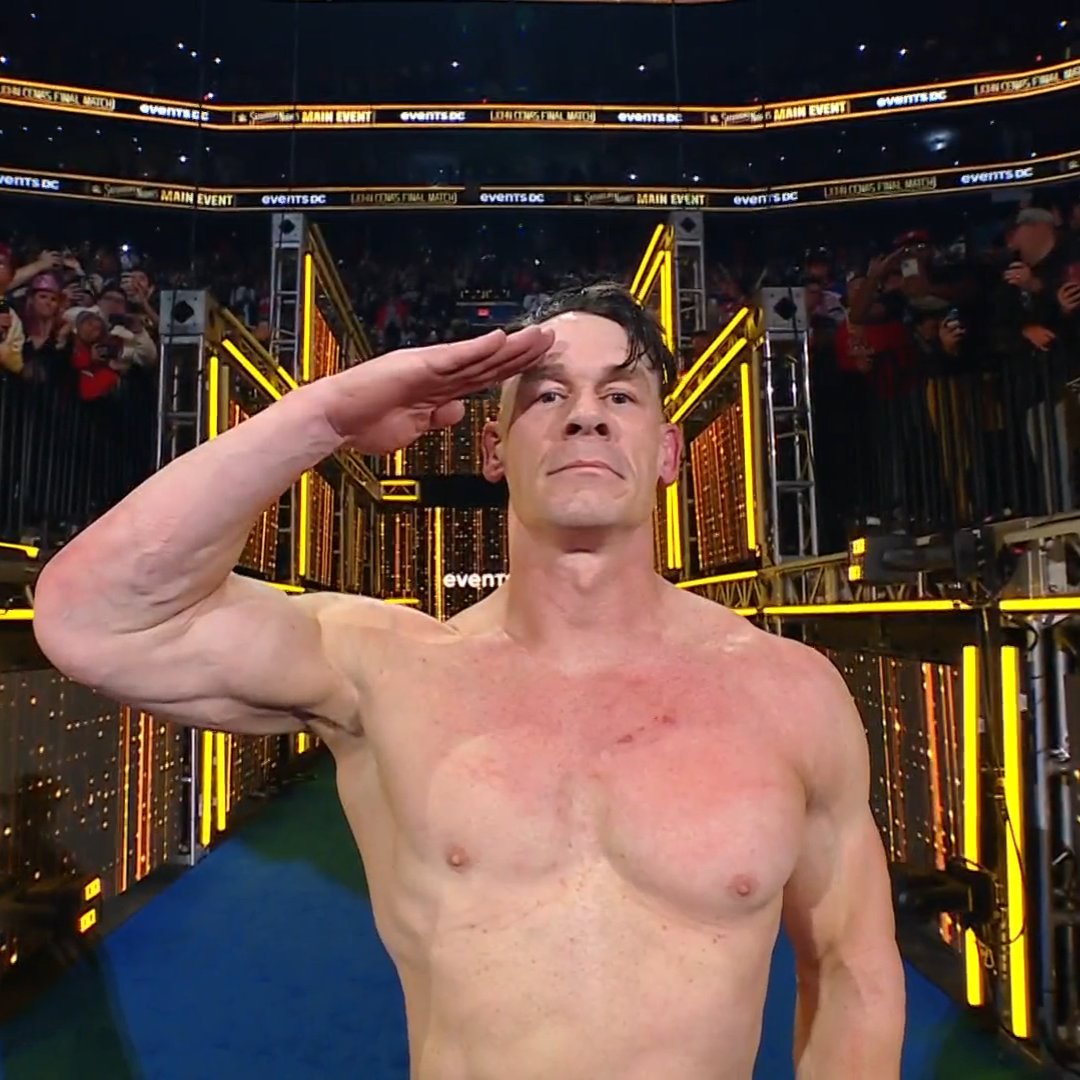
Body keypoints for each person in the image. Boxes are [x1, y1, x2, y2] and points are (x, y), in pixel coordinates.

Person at [33, 283, 905, 1079]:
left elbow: (852, 977)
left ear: (668, 451)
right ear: (493, 449)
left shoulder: (787, 691)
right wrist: (324, 415)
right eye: (549, 395)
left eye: (620, 396)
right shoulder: (388, 668)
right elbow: (90, 619)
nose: (586, 417)